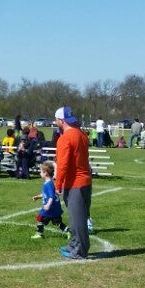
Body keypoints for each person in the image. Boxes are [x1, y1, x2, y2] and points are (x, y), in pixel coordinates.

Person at [54, 106, 92, 260]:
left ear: (60, 121)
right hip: (85, 181)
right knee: (77, 217)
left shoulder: (65, 138)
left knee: (77, 220)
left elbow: (62, 164)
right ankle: (73, 244)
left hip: (75, 183)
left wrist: (58, 184)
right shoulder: (82, 135)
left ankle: (80, 251)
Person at [31, 161, 69, 239]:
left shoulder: (48, 184)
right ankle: (69, 231)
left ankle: (39, 233)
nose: (40, 173)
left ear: (45, 173)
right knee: (58, 222)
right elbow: (47, 194)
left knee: (39, 218)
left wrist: (48, 205)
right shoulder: (49, 183)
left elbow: (51, 196)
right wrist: (38, 197)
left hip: (50, 208)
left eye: (41, 172)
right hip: (54, 208)